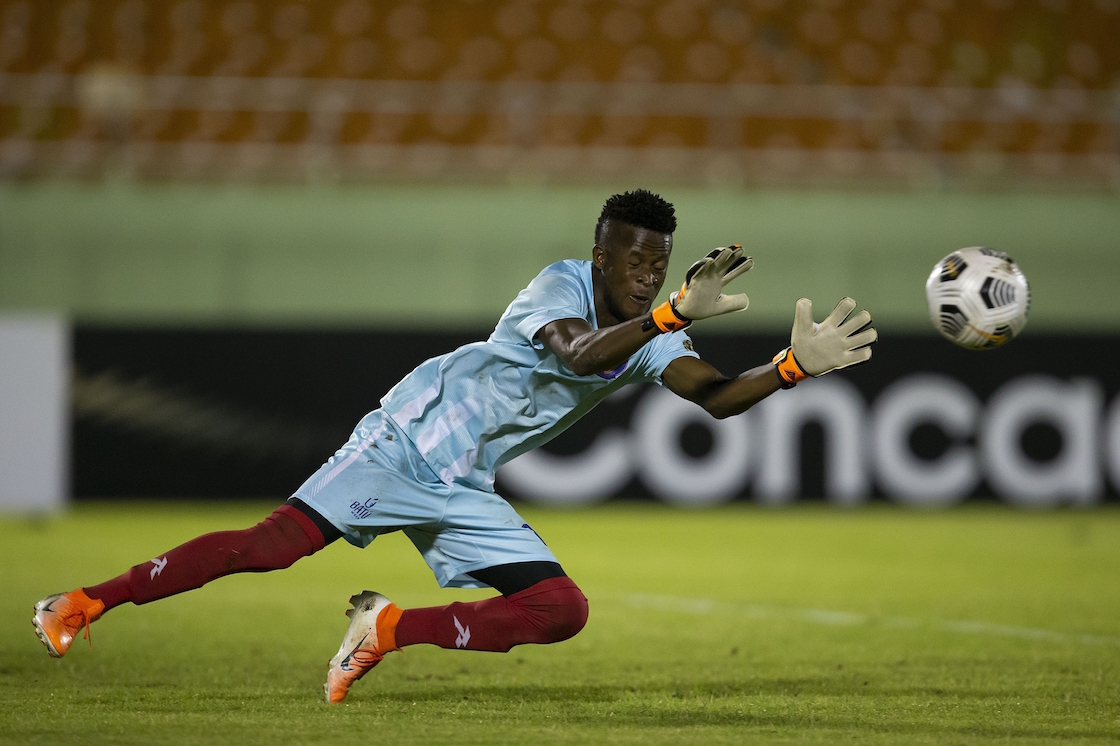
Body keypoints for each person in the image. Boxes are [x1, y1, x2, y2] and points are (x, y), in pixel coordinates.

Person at [32, 189, 876, 703]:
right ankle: (81, 603)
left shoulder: (652, 331)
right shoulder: (561, 286)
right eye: (634, 260)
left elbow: (718, 400)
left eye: (660, 268)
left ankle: (385, 630)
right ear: (599, 254)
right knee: (270, 547)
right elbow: (581, 353)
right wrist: (670, 317)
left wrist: (793, 366)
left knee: (561, 611)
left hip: (465, 481)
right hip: (406, 441)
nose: (647, 277)